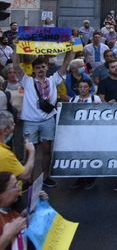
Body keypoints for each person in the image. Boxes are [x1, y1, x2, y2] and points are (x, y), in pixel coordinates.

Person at [12, 50, 73, 188]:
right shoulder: (26, 80)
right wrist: (16, 47)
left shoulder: (54, 79)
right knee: (29, 151)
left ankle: (46, 177)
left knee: (47, 150)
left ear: (47, 68)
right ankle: (28, 180)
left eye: (43, 67)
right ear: (33, 70)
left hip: (48, 120)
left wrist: (71, 47)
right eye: (38, 67)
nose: (41, 70)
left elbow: (66, 63)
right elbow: (16, 65)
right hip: (30, 122)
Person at [0, 111, 34, 182]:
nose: (15, 125)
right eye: (12, 124)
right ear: (5, 131)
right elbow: (25, 175)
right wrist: (31, 152)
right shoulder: (5, 155)